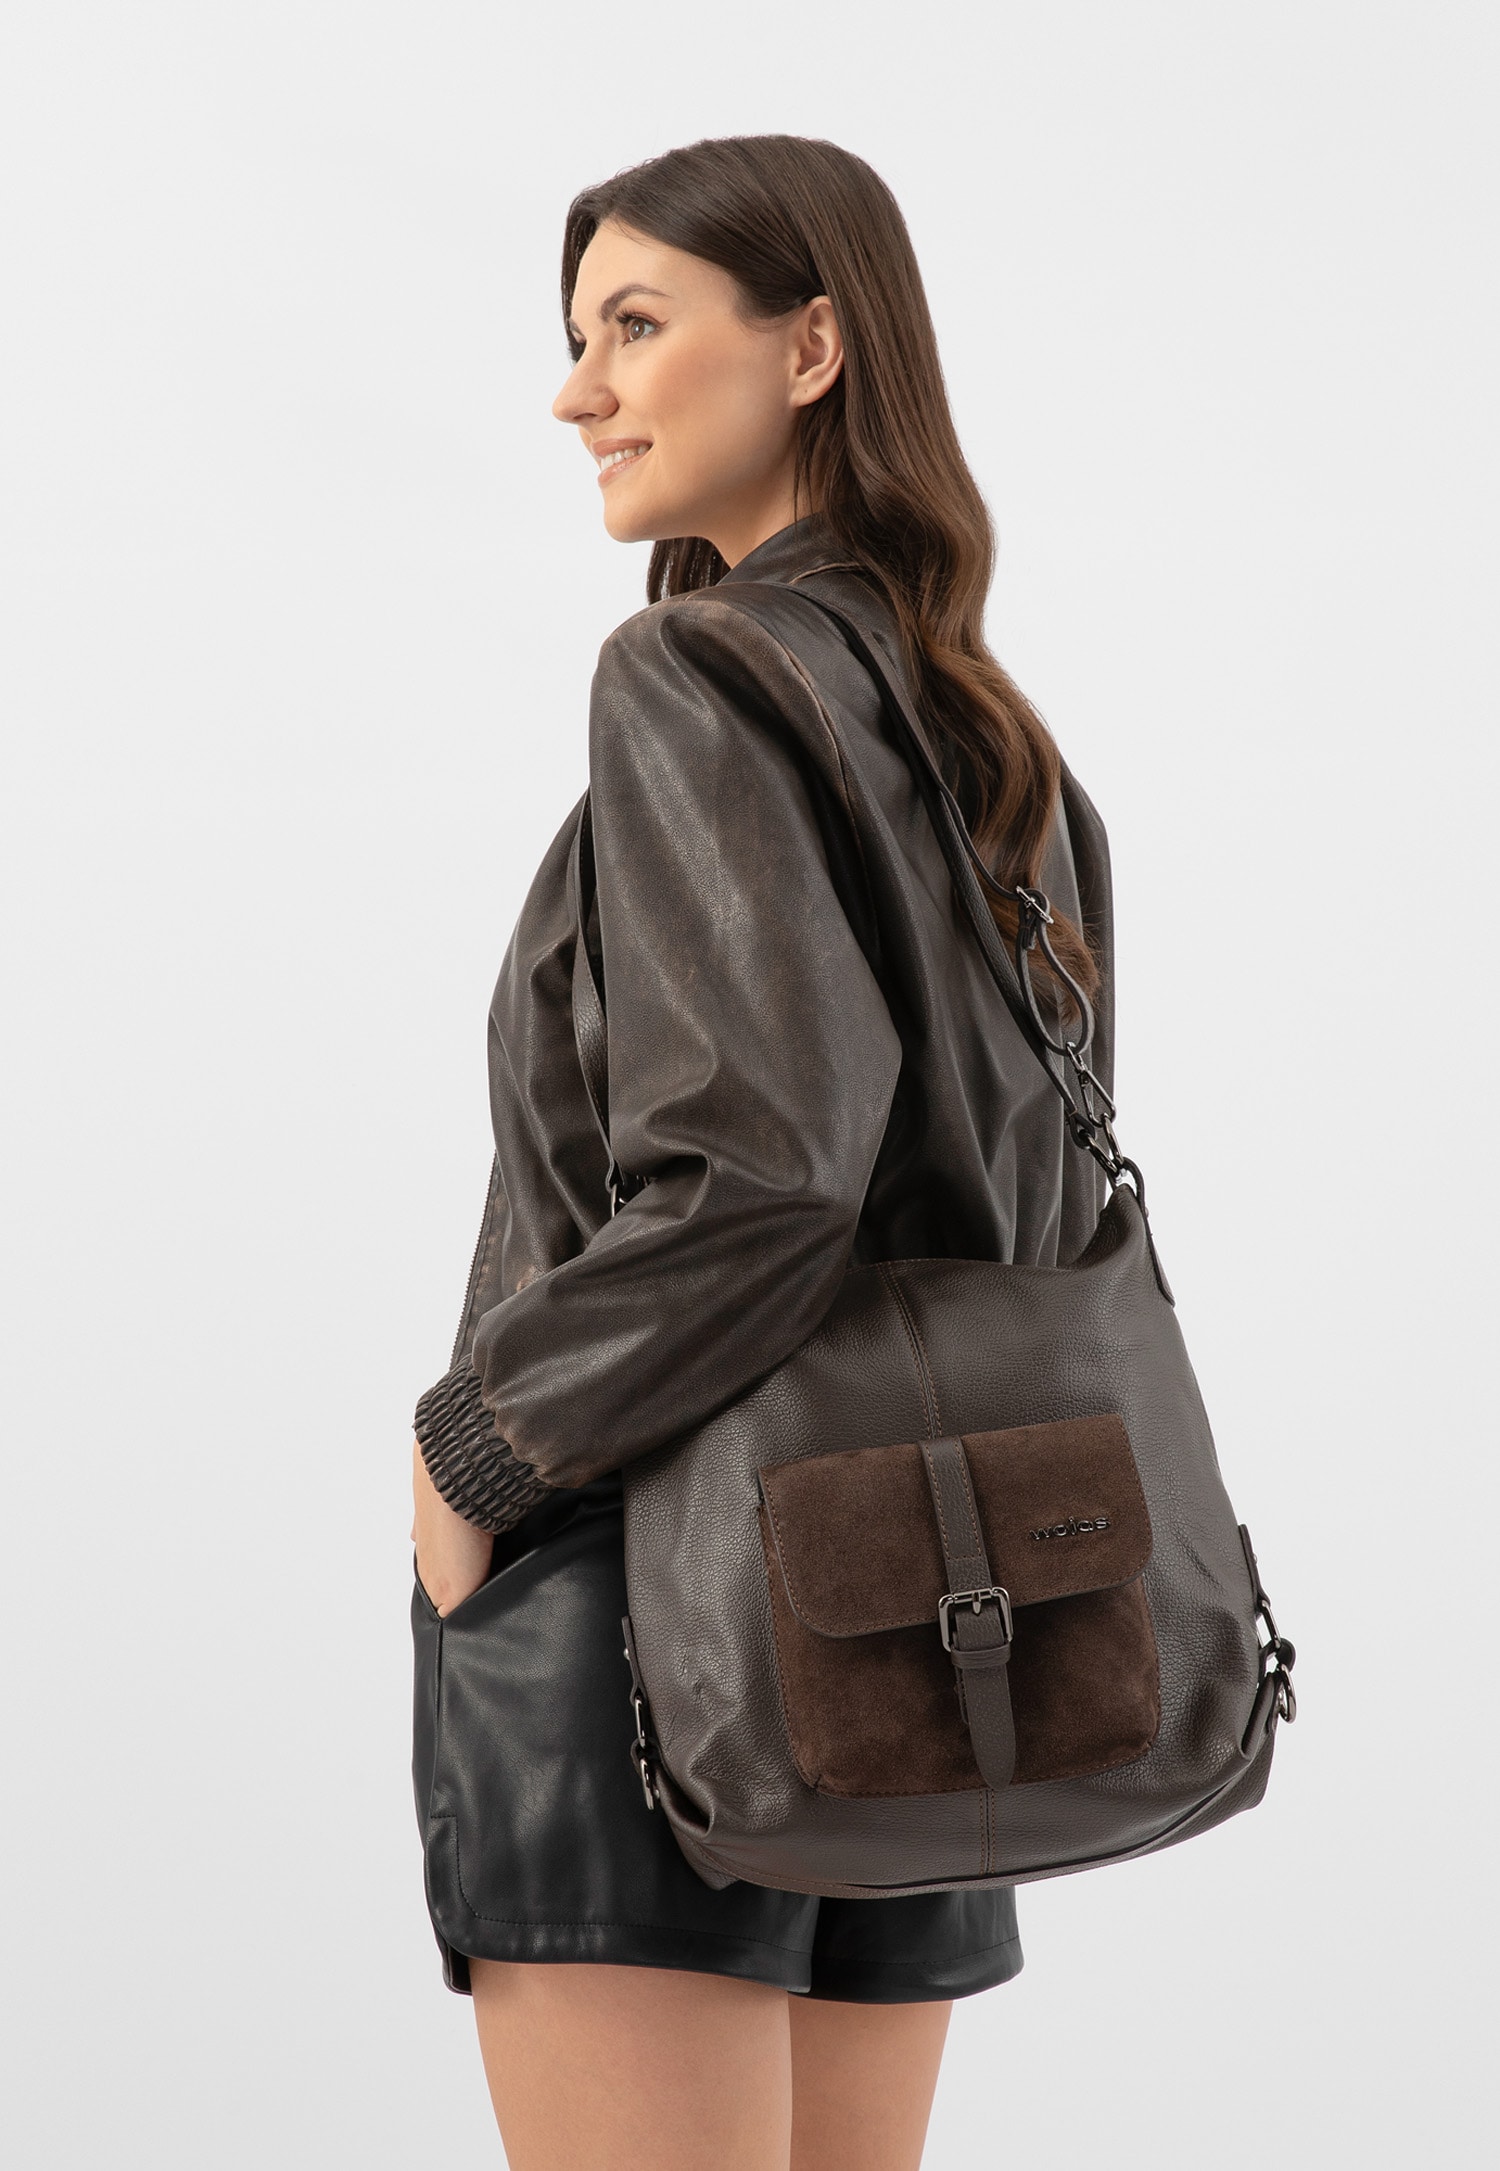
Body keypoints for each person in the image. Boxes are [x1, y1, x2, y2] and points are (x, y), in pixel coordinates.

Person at [409, 134, 1113, 2171]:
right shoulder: (986, 738)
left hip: (664, 1595)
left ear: (812, 348)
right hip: (934, 1614)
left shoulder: (697, 669)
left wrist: (480, 1448)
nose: (578, 392)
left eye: (634, 327)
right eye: (578, 337)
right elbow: (1033, 1209)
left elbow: (764, 1176)